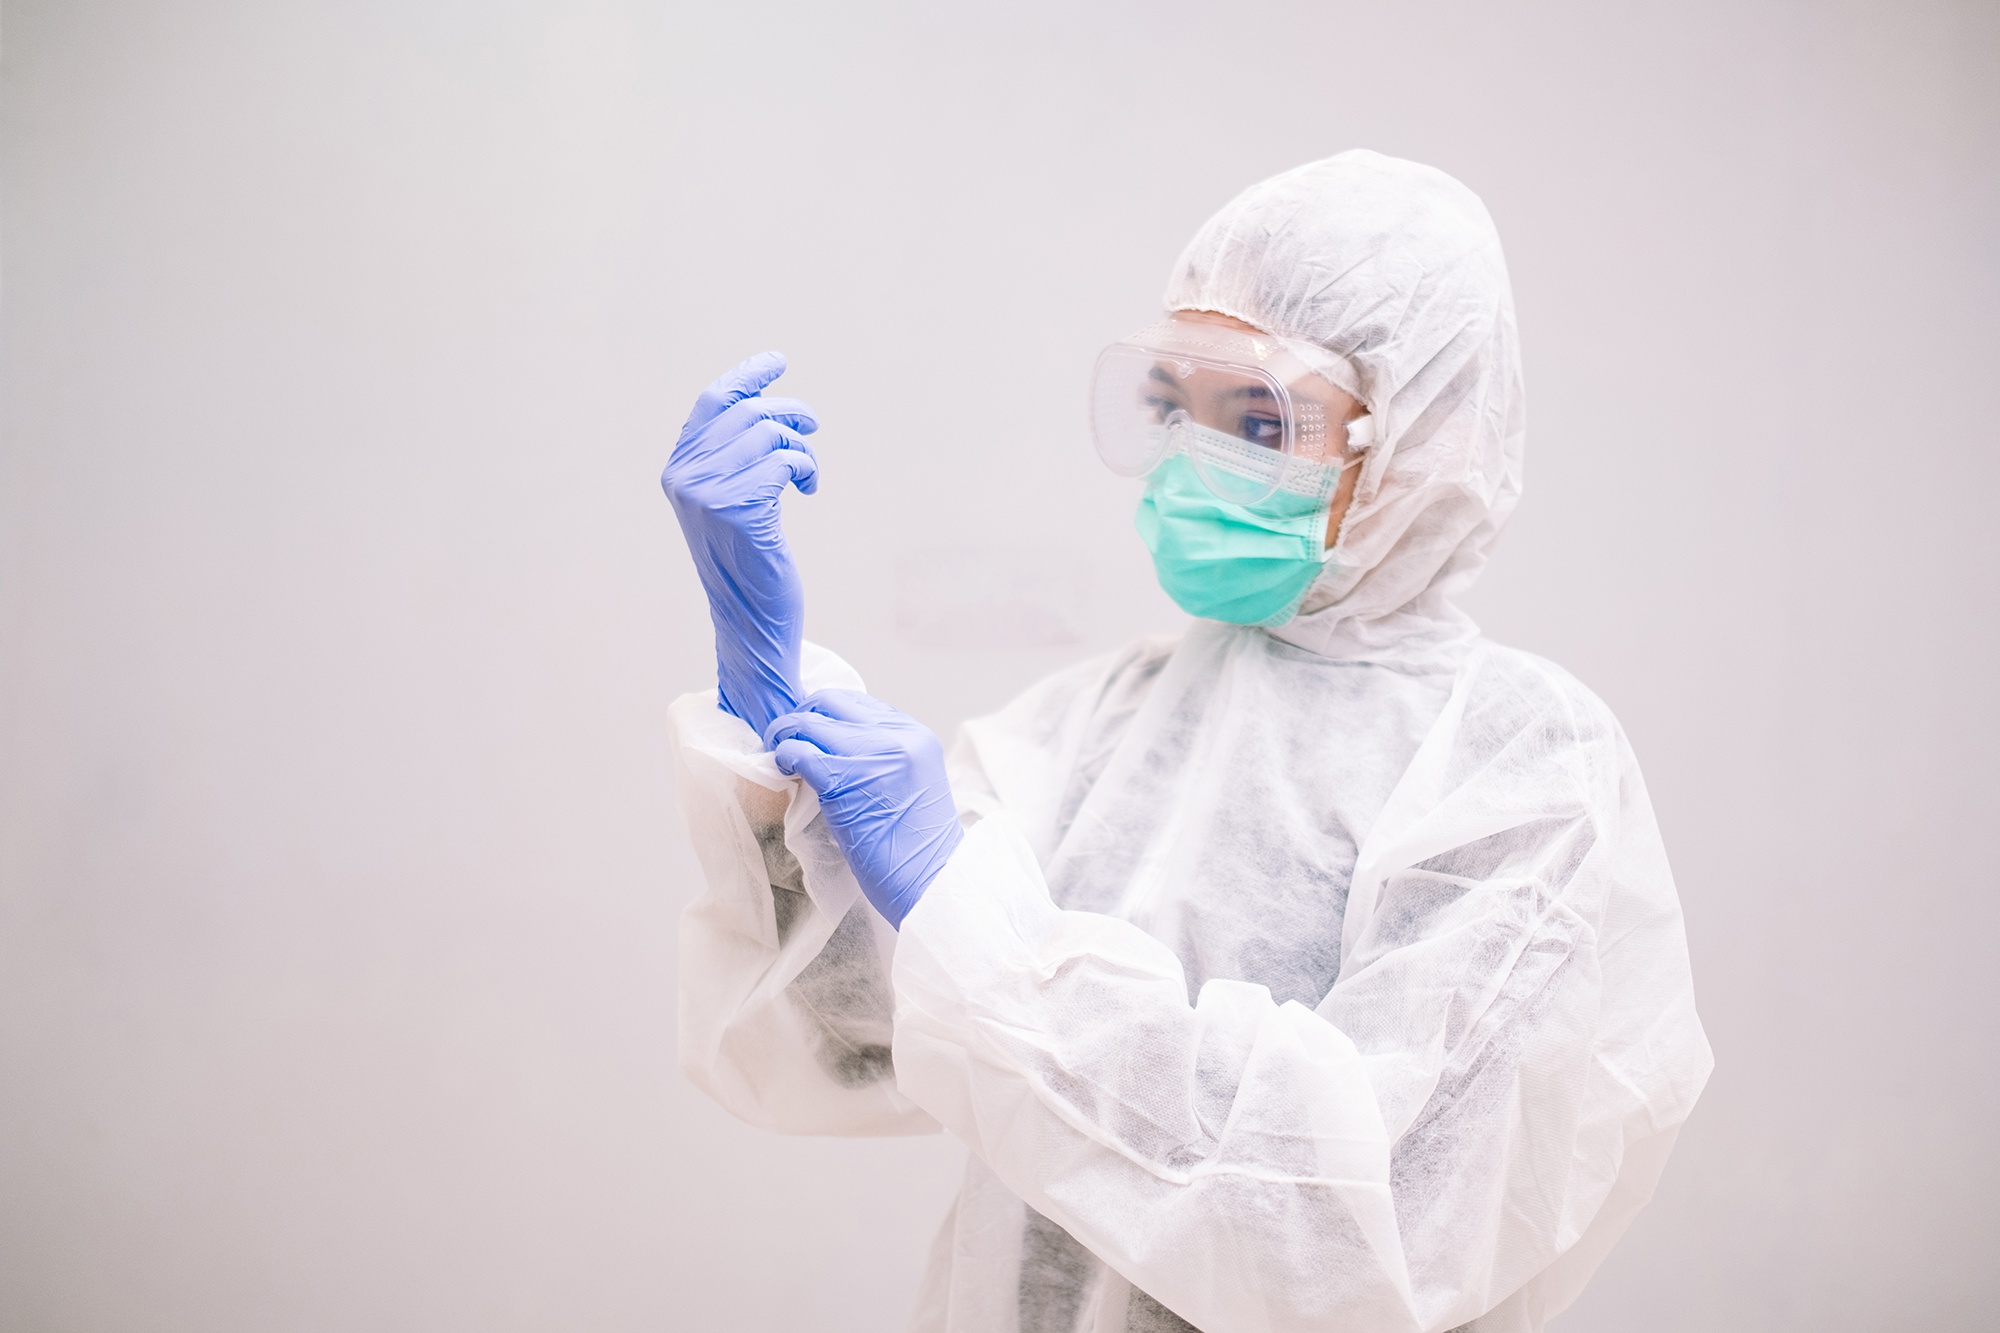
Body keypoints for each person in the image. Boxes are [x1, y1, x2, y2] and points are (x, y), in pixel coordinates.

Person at [662, 150, 1711, 1333]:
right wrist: (768, 706)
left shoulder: (1518, 762)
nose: (1192, 462)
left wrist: (967, 911)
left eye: (1258, 419)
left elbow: (1351, 1230)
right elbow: (843, 1032)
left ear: (1420, 438)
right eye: (1172, 407)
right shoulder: (1099, 719)